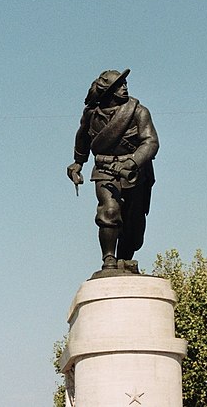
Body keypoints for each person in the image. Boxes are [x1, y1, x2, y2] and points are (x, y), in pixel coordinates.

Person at [67, 69, 159, 271]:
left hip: (134, 172)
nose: (124, 87)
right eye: (119, 84)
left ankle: (125, 258)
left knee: (133, 223)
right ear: (107, 90)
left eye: (125, 83)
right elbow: (83, 138)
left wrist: (133, 162)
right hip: (105, 168)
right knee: (109, 210)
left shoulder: (138, 111)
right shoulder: (91, 114)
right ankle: (109, 258)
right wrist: (78, 163)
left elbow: (151, 142)